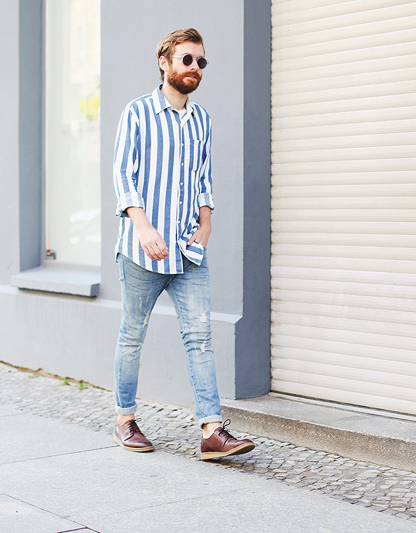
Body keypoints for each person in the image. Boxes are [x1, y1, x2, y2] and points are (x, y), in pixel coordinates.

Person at [111, 28, 255, 461]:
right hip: (142, 252)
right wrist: (142, 227)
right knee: (132, 336)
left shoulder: (202, 119)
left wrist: (206, 222)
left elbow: (203, 177)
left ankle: (212, 431)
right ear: (165, 62)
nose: (195, 68)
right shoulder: (137, 112)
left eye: (201, 62)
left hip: (188, 250)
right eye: (187, 59)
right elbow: (123, 174)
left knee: (200, 338)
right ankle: (125, 420)